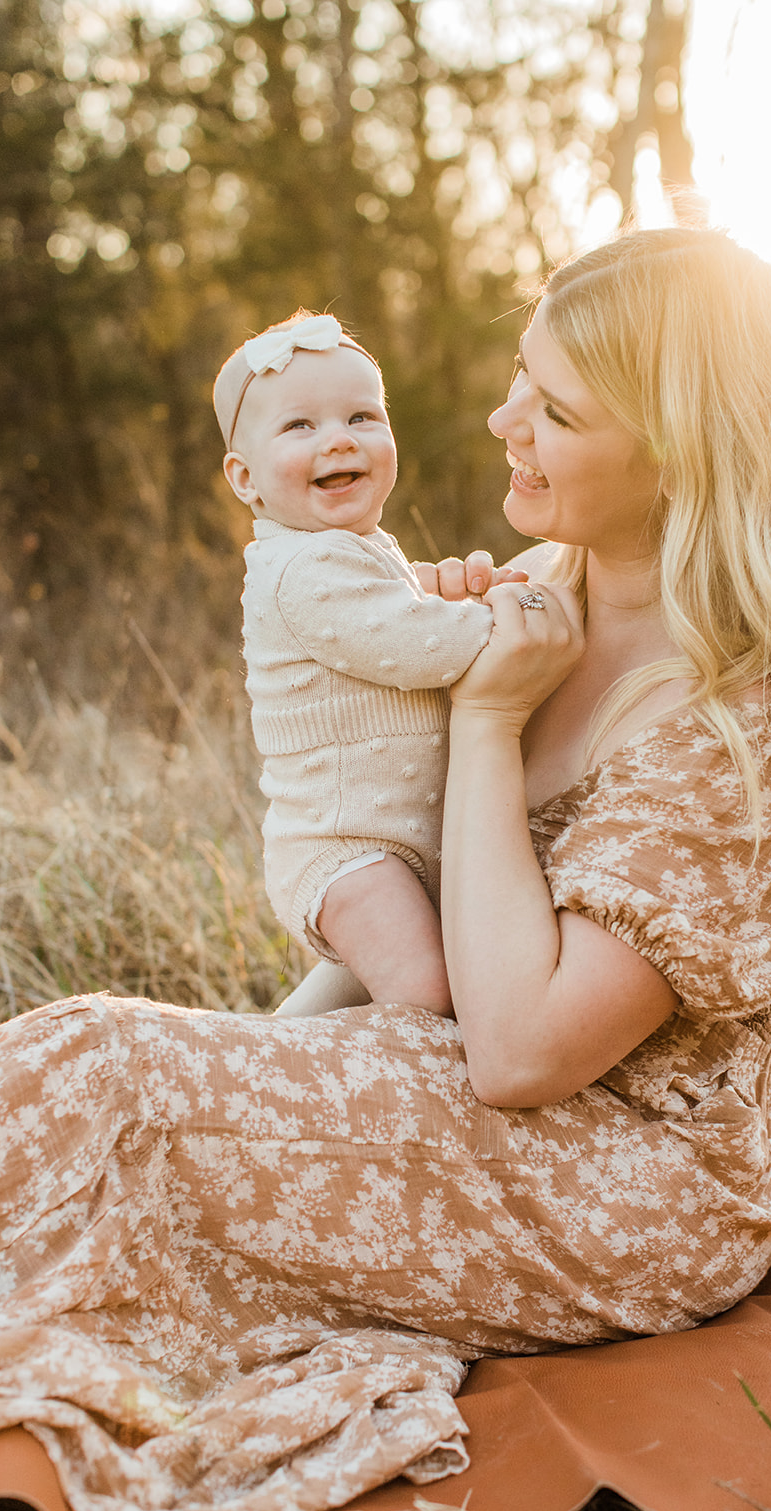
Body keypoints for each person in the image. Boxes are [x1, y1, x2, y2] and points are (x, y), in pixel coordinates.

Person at [0, 229, 771, 1511]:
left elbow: (523, 1052)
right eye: (521, 378)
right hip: (457, 1066)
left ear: (679, 450)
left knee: (119, 1073)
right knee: (103, 1060)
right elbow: (387, 836)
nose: (498, 418)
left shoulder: (737, 735)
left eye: (555, 409)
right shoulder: (537, 590)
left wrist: (480, 722)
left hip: (626, 1185)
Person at [213, 311, 524, 1018]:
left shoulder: (350, 548)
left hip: (396, 844)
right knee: (426, 995)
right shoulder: (304, 568)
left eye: (362, 416)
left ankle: (260, 1072)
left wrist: (453, 587)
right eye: (300, 427)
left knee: (326, 1013)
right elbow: (419, 644)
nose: (339, 438)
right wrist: (507, 617)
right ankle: (379, 1115)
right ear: (245, 478)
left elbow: (394, 604)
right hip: (348, 850)